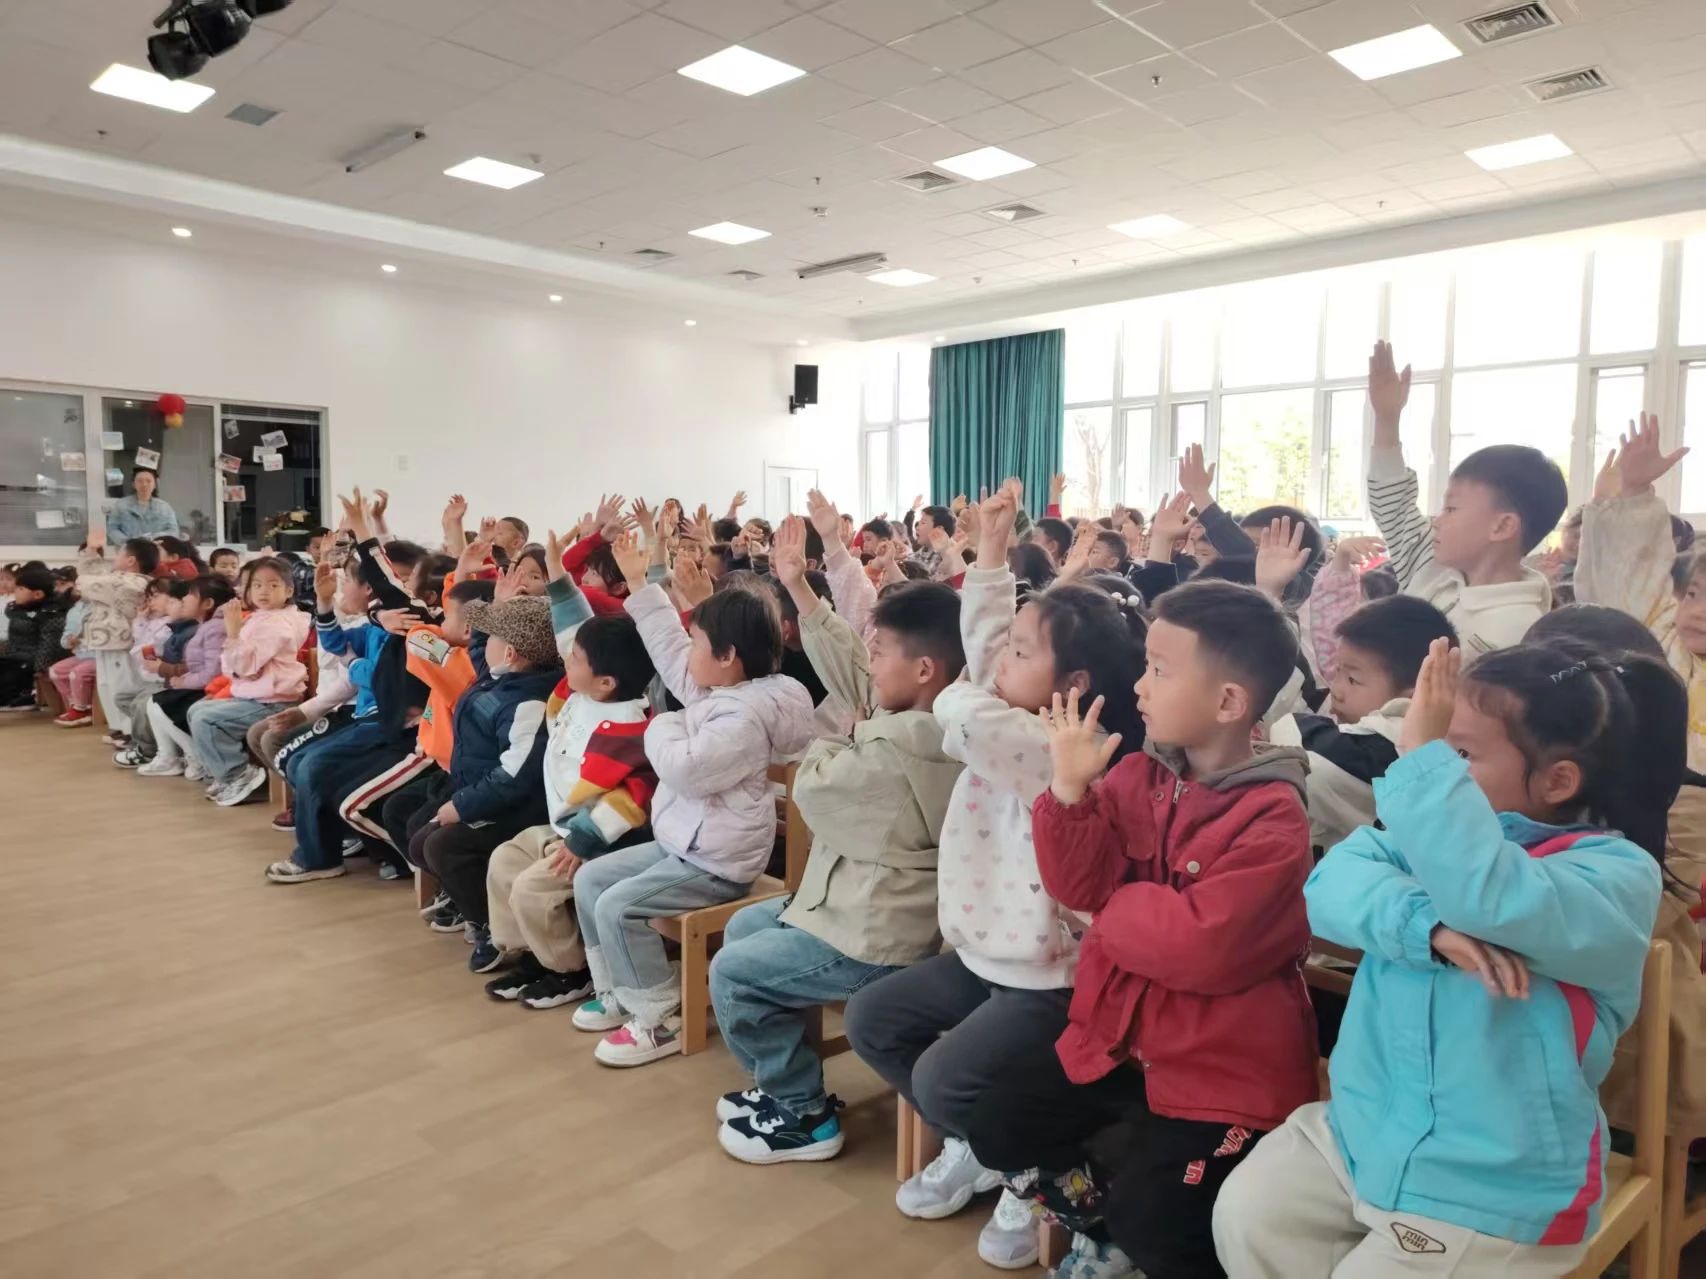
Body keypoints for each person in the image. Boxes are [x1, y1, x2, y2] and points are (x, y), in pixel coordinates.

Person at [1214, 637, 1677, 1278]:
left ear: (1558, 781)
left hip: (1495, 1177)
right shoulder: (1423, 834)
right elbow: (1328, 888)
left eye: (1459, 754)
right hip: (1368, 1131)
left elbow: (1488, 896)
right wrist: (1423, 925)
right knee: (1249, 1213)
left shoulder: (1614, 876)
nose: (1435, 767)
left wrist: (1421, 763)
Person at [944, 580, 1315, 1279]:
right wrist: (1067, 791)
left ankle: (1132, 1230)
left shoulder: (1273, 818)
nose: (1139, 685)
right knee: (997, 1124)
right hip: (1122, 1039)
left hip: (1221, 1074)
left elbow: (1196, 946)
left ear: (1228, 703)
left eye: (1160, 670)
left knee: (1157, 1220)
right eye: (1146, 665)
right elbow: (1074, 887)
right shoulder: (1141, 772)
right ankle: (1102, 1224)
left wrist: (1106, 912)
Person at [845, 480, 1147, 1272]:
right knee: (875, 1019)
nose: (996, 661)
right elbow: (983, 656)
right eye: (1008, 646)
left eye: (1022, 651)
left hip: (1047, 978)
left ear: (1073, 684)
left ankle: (1027, 1166)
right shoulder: (1016, 712)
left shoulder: (1053, 745)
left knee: (944, 1081)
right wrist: (987, 553)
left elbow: (961, 702)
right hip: (985, 956)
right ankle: (987, 1144)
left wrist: (974, 660)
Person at [713, 515, 967, 1165]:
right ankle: (789, 1084)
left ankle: (803, 1113)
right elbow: (850, 663)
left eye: (882, 651)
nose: (869, 660)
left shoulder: (905, 745)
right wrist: (800, 588)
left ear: (924, 668)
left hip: (875, 932)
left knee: (734, 972)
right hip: (848, 901)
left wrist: (842, 737)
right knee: (743, 928)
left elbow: (814, 789)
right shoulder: (923, 709)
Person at [568, 531, 813, 1067]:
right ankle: (619, 990)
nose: (689, 651)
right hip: (686, 844)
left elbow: (687, 769)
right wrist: (641, 585)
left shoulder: (742, 716)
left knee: (617, 905)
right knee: (590, 879)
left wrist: (662, 724)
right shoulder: (726, 688)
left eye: (698, 642)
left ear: (727, 657)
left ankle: (657, 1018)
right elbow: (672, 651)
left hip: (717, 862)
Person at [1525, 604, 1706, 1146]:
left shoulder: (1687, 807)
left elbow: (1576, 926)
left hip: (1634, 1070)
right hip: (1531, 1044)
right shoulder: (1531, 786)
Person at [480, 532, 659, 1007]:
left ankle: (570, 970)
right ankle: (529, 953)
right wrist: (559, 577)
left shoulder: (629, 728)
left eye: (575, 660)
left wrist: (585, 839)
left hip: (599, 842)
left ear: (606, 681)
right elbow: (571, 631)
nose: (566, 659)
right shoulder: (582, 693)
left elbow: (633, 798)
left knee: (533, 888)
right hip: (562, 828)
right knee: (505, 861)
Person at [1365, 341, 1566, 653]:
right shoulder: (1433, 567)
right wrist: (1386, 420)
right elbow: (1395, 506)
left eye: (1451, 508)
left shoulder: (1519, 631)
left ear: (1502, 526)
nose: (1437, 521)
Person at [408, 594, 561, 971]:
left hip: (518, 810)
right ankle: (467, 898)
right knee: (417, 832)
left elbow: (514, 777)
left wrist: (461, 807)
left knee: (443, 846)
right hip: (478, 792)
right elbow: (479, 647)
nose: (480, 643)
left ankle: (493, 928)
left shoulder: (529, 703)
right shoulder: (499, 676)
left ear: (509, 653)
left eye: (490, 636)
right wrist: (496, 605)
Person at [1269, 594, 1459, 852]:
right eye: (1337, 672)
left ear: (1415, 694)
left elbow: (1297, 749)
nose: (1336, 690)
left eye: (1353, 680)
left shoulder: (1387, 745)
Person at [1572, 411, 1706, 771]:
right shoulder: (1663, 640)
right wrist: (1633, 493)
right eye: (1693, 595)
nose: (1698, 612)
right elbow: (1632, 578)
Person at [185, 556, 310, 806]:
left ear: (288, 591)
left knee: (206, 720)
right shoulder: (261, 617)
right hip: (256, 695)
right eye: (257, 585)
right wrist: (240, 660)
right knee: (197, 709)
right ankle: (222, 772)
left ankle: (239, 775)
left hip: (274, 702)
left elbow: (244, 666)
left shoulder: (278, 624)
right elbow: (233, 667)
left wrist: (233, 634)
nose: (264, 591)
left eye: (273, 585)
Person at [124, 575, 234, 771]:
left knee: (158, 703)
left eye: (191, 595)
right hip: (197, 684)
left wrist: (181, 680)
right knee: (153, 702)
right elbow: (195, 666)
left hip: (208, 689)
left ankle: (194, 757)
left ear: (207, 603)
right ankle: (169, 756)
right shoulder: (205, 627)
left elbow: (211, 673)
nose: (184, 599)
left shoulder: (214, 628)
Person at [76, 525, 160, 747]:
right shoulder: (119, 578)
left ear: (131, 560)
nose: (115, 558)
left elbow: (86, 582)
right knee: (107, 686)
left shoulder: (136, 582)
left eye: (119, 554)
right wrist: (91, 552)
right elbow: (94, 578)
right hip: (107, 642)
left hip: (123, 643)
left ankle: (132, 730)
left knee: (125, 686)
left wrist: (90, 565)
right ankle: (119, 727)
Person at [0, 566, 69, 709]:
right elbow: (14, 639)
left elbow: (49, 645)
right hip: (17, 657)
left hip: (34, 660)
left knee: (8, 680)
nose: (15, 591)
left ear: (37, 594)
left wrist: (40, 668)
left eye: (20, 589)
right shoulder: (19, 609)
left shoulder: (51, 614)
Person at [105, 466, 179, 541]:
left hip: (155, 547)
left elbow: (173, 531)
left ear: (155, 485)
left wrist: (153, 538)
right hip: (129, 547)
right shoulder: (121, 505)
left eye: (148, 481)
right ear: (133, 484)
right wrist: (127, 542)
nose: (144, 484)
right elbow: (112, 528)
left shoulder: (165, 507)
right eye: (140, 481)